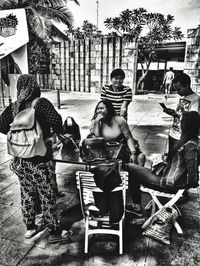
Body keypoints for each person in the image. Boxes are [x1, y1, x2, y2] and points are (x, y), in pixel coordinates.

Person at [0, 74, 72, 243]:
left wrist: (19, 135)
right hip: (40, 159)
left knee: (27, 193)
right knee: (46, 193)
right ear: (34, 86)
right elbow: (57, 121)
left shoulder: (14, 107)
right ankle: (54, 232)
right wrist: (47, 132)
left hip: (19, 161)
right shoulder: (40, 103)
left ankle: (30, 227)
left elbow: (2, 125)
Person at [124, 111, 200, 216]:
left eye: (181, 122)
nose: (178, 125)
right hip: (167, 178)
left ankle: (136, 207)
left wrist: (183, 186)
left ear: (187, 125)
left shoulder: (191, 145)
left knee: (129, 167)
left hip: (169, 184)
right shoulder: (190, 141)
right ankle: (136, 206)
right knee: (133, 169)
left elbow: (193, 173)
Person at [163, 73, 200, 151]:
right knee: (171, 159)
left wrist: (176, 115)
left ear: (187, 85)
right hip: (173, 133)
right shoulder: (182, 97)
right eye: (176, 89)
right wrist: (173, 113)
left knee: (178, 161)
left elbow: (192, 120)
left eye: (179, 89)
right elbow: (179, 113)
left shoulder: (196, 99)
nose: (177, 92)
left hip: (182, 137)